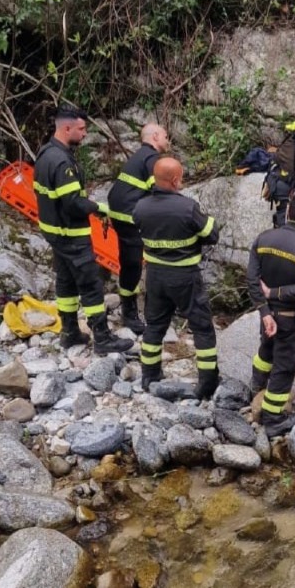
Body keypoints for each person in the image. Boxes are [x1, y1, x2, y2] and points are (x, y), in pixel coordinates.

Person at [33, 107, 133, 354]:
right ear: (66, 128)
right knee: (90, 285)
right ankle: (102, 338)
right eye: (81, 129)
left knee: (66, 283)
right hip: (71, 234)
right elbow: (73, 203)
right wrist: (99, 207)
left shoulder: (45, 153)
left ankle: (69, 333)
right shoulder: (62, 161)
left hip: (55, 233)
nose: (85, 133)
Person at [133, 157, 220, 398]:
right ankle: (207, 382)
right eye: (180, 177)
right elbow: (211, 234)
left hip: (155, 276)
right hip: (185, 276)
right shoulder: (186, 207)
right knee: (202, 327)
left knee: (154, 326)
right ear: (174, 180)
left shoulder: (141, 206)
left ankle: (149, 374)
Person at [246, 192, 295, 437]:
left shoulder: (263, 238)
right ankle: (273, 417)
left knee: (266, 350)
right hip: (290, 316)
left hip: (267, 315)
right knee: (286, 364)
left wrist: (265, 311)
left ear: (288, 212)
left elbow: (252, 280)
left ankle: (256, 387)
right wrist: (278, 293)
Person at [106, 123, 171, 335]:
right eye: (165, 136)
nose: (168, 140)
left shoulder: (140, 156)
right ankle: (131, 313)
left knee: (130, 263)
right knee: (134, 265)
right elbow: (159, 190)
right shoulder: (151, 159)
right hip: (129, 217)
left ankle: (131, 307)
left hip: (121, 214)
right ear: (155, 136)